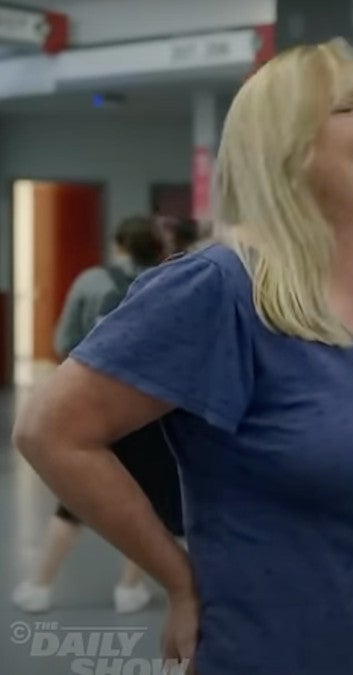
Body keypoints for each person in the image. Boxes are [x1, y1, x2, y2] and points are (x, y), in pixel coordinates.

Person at [12, 39, 353, 675]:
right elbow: (49, 430)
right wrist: (178, 580)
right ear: (285, 152)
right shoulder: (219, 290)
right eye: (346, 108)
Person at [12, 214, 173, 615]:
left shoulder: (92, 281)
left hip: (95, 407)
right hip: (152, 408)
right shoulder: (171, 282)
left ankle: (39, 585)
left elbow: (63, 339)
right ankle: (129, 589)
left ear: (118, 244)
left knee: (74, 500)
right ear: (159, 247)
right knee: (147, 499)